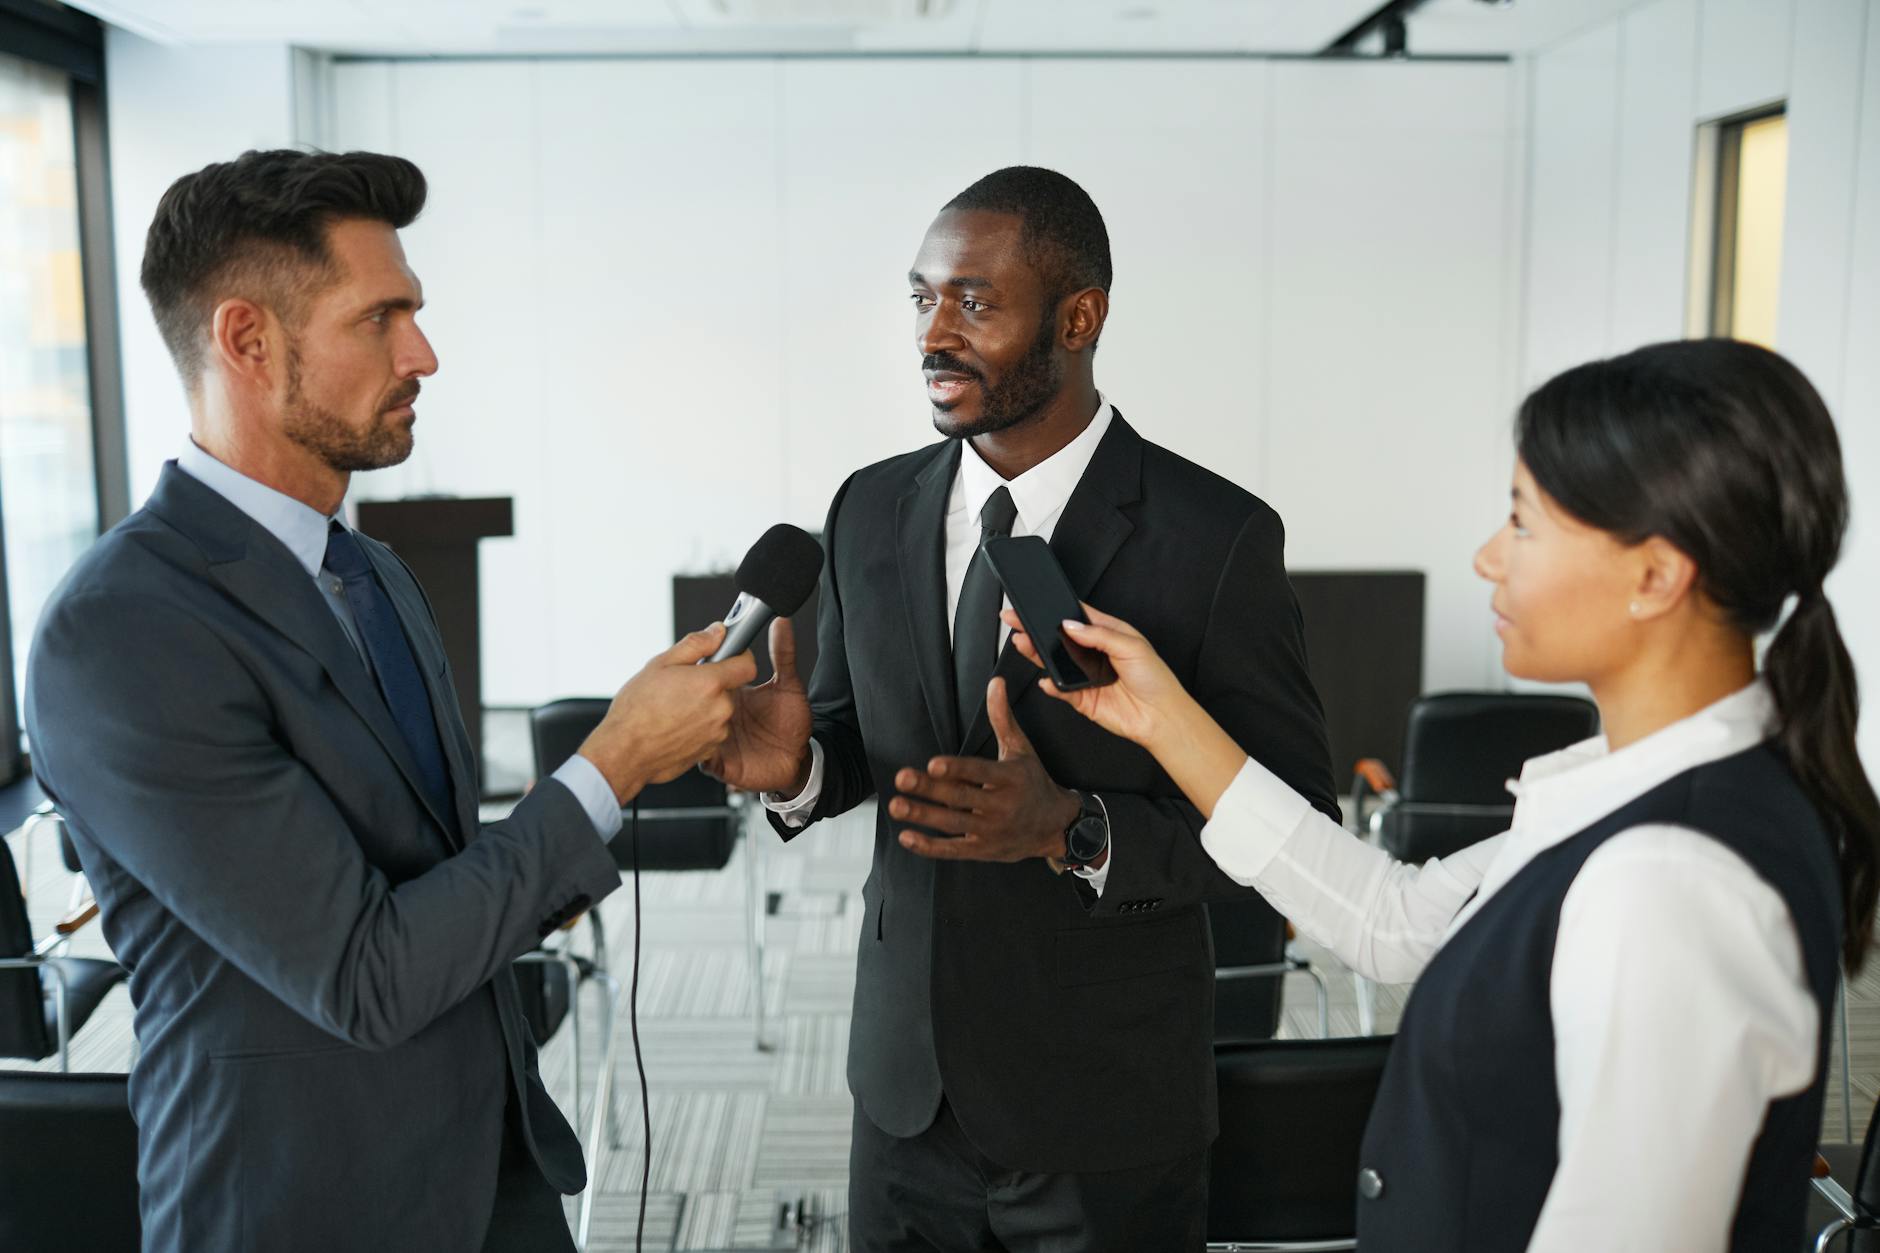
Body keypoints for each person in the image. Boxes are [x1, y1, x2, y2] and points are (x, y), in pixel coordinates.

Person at [987, 338, 1880, 1251]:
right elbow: (1394, 919)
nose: (1489, 557)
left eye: (1524, 523)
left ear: (1656, 574)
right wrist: (1164, 718)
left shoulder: (1667, 878)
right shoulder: (1665, 794)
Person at [23, 149, 757, 1253]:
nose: (423, 352)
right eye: (381, 318)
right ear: (246, 340)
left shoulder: (372, 575)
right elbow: (365, 973)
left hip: (492, 1172)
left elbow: (434, 872)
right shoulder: (119, 630)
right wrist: (610, 764)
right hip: (302, 1200)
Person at [706, 166, 1337, 1251]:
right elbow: (863, 736)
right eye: (920, 298)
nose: (931, 333)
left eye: (974, 301)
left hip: (1101, 1102)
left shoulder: (1216, 538)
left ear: (1078, 318)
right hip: (902, 1093)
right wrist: (803, 767)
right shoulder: (865, 507)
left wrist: (1069, 827)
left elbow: (1292, 830)